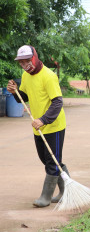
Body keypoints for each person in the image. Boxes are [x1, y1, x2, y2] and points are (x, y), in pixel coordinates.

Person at [7, 45, 69, 207]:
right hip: (38, 126)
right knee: (47, 159)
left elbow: (57, 103)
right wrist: (15, 92)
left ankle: (46, 197)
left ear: (34, 57)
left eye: (27, 60)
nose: (24, 64)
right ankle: (65, 190)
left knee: (51, 161)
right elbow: (24, 98)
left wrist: (43, 119)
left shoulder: (48, 76)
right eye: (21, 62)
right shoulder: (26, 76)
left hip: (53, 125)